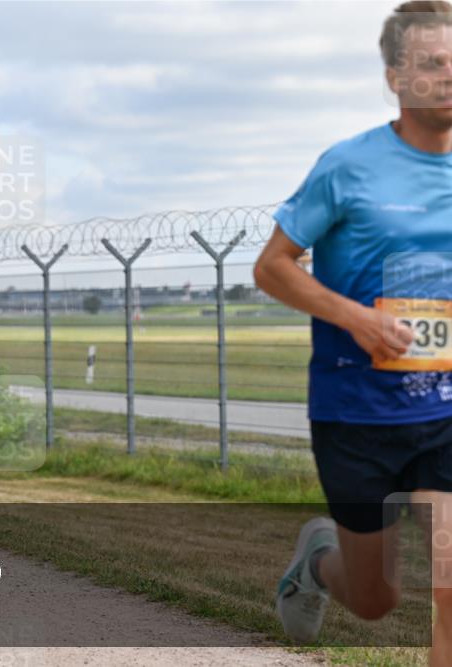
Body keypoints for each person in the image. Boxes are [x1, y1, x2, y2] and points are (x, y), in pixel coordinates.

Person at [254, 3, 452, 663]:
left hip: (447, 409)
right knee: (375, 599)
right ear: (396, 77)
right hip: (357, 412)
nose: (449, 76)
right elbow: (272, 267)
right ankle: (320, 561)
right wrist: (357, 317)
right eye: (432, 64)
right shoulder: (348, 166)